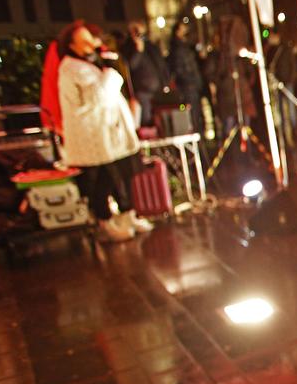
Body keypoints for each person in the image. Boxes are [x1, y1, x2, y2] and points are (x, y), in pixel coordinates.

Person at [55, 20, 154, 242]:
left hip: (109, 133)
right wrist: (110, 72)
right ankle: (105, 222)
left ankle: (128, 215)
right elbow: (98, 97)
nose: (91, 44)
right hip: (95, 136)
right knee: (104, 180)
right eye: (84, 40)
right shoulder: (72, 69)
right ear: (72, 46)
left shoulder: (90, 64)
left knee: (123, 173)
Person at [120, 20, 168, 127]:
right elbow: (130, 66)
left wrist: (165, 82)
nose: (139, 34)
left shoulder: (151, 45)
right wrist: (138, 51)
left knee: (161, 121)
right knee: (146, 121)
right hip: (142, 92)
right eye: (136, 31)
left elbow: (161, 64)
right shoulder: (127, 48)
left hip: (158, 89)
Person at [165, 21, 206, 139]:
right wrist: (191, 81)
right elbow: (180, 69)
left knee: (197, 117)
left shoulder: (184, 47)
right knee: (193, 118)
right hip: (188, 87)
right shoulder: (178, 49)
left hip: (192, 85)